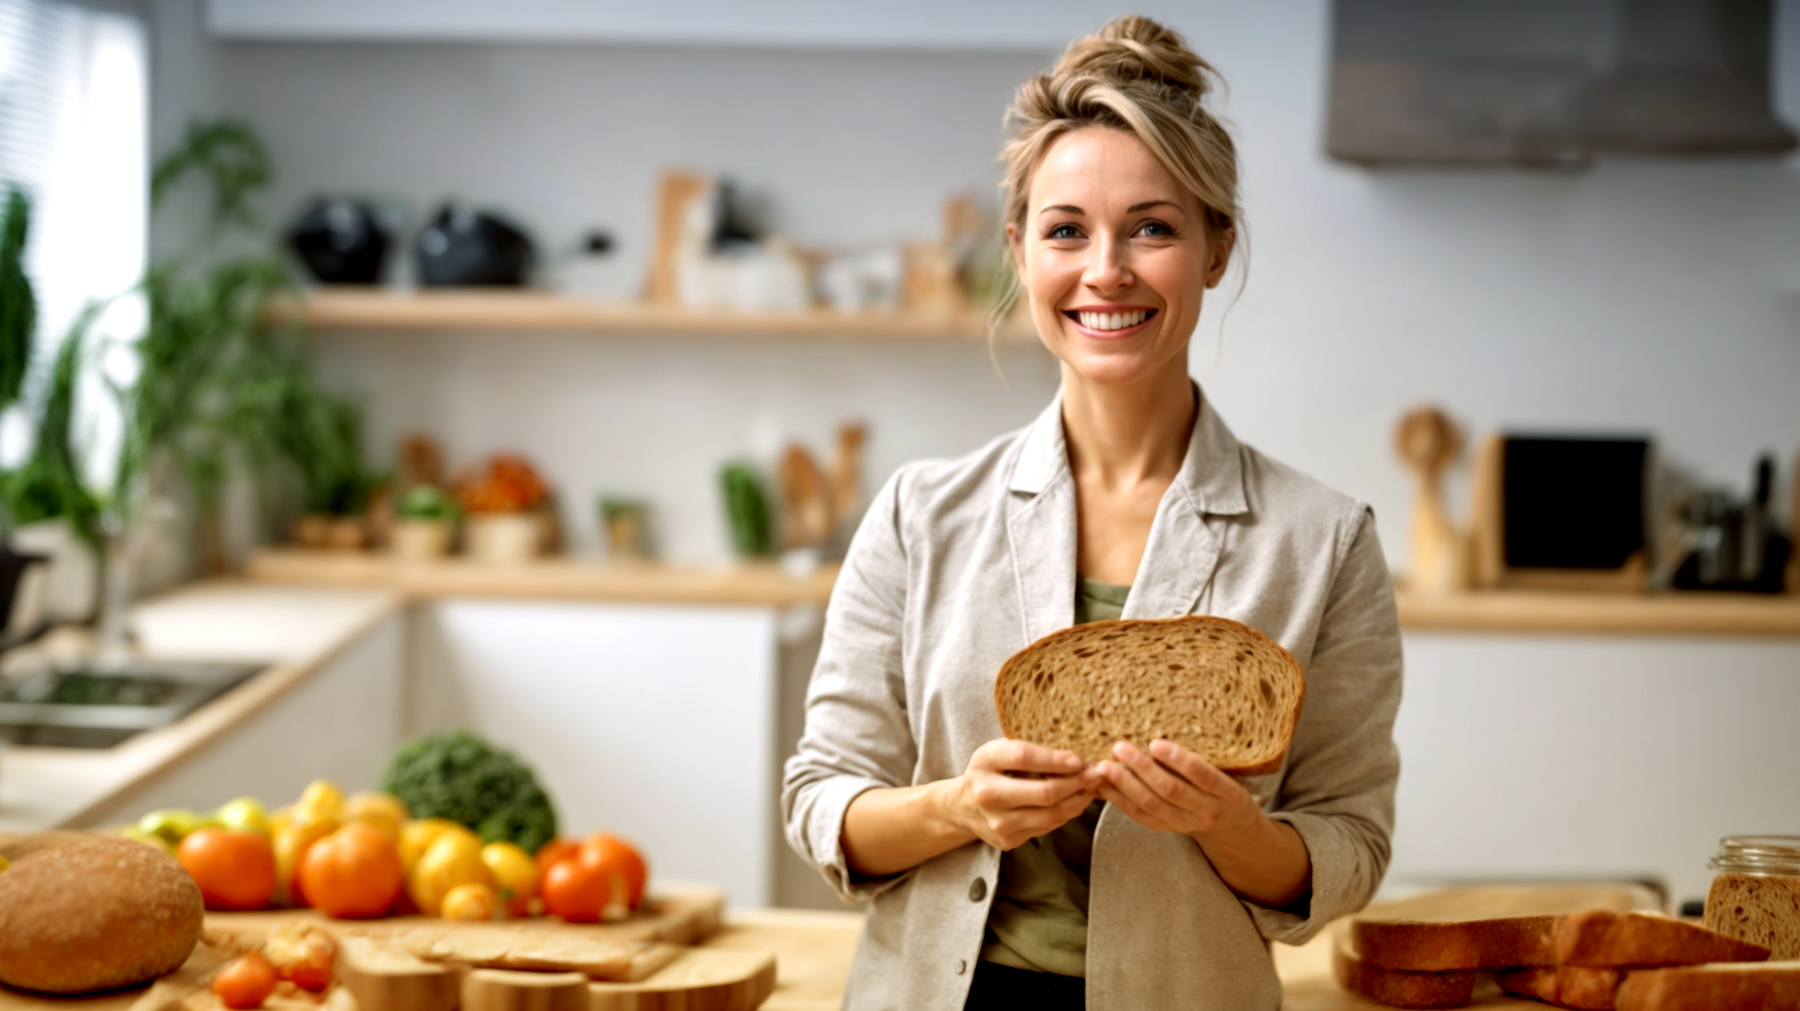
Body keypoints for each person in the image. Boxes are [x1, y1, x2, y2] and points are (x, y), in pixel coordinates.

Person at [782, 15, 1401, 1011]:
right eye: (1067, 229)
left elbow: (1351, 845)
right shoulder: (918, 513)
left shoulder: (1325, 542)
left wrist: (1225, 825)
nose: (1105, 268)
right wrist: (960, 806)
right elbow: (822, 800)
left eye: (1152, 226)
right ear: (1022, 253)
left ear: (1214, 248)